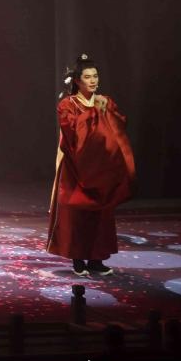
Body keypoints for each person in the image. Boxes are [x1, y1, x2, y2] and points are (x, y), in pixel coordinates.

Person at [46, 54, 136, 277]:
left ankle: (96, 259)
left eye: (95, 76)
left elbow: (117, 129)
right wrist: (94, 112)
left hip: (101, 167)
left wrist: (104, 111)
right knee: (76, 213)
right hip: (76, 167)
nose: (93, 80)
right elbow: (73, 134)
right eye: (87, 77)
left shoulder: (106, 102)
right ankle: (78, 259)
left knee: (101, 214)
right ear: (77, 80)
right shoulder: (68, 105)